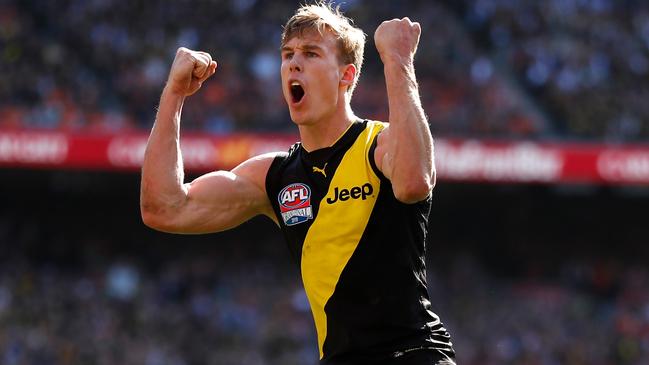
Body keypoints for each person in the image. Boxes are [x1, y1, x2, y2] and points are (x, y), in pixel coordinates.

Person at [140, 3, 455, 364]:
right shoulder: (275, 177)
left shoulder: (380, 144)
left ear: (346, 75)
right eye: (287, 54)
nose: (293, 63)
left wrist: (398, 60)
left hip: (413, 354)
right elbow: (163, 208)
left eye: (311, 53)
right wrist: (174, 95)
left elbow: (415, 183)